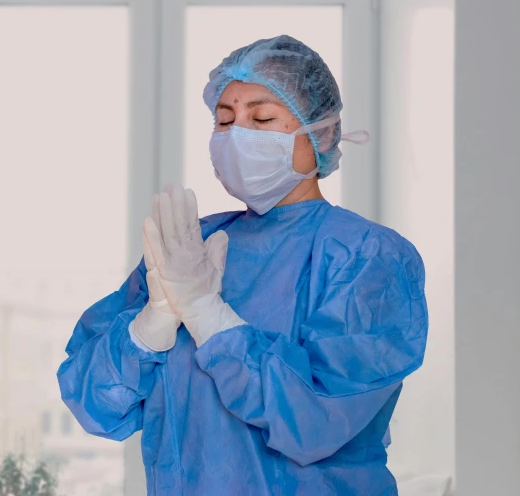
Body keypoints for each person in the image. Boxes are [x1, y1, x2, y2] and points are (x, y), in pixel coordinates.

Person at [57, 35, 427, 495]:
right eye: (225, 120)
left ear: (324, 132)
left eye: (263, 117)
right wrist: (148, 328)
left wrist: (211, 319)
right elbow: (94, 405)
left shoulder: (365, 257)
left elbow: (316, 420)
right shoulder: (192, 248)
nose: (238, 137)